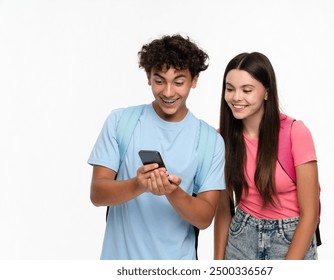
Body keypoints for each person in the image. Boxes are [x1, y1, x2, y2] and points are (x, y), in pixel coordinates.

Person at [88, 34, 225, 260]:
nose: (168, 92)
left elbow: (204, 217)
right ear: (148, 77)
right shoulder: (121, 121)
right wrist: (138, 184)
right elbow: (97, 194)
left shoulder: (210, 140)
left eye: (179, 82)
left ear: (194, 80)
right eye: (159, 80)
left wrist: (172, 192)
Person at [214, 52, 320, 260]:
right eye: (230, 89)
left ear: (266, 93)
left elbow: (310, 215)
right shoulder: (221, 138)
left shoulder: (295, 133)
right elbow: (224, 212)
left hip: (290, 238)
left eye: (247, 90)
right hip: (241, 236)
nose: (236, 97)